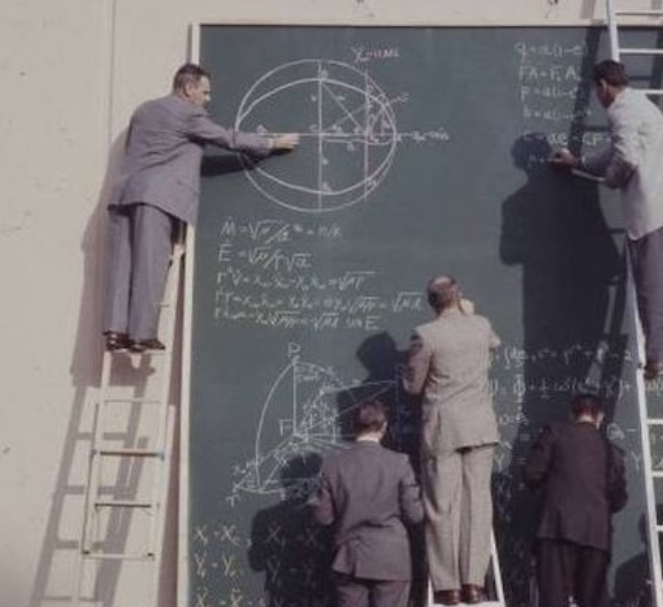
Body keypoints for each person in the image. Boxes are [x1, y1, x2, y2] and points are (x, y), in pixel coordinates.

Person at [102, 63, 299, 352]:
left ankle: (115, 332)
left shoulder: (143, 110)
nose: (207, 100)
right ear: (188, 88)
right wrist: (271, 142)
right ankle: (141, 335)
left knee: (122, 264)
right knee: (150, 264)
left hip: (124, 193)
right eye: (204, 92)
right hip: (158, 197)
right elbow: (228, 138)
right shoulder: (186, 112)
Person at [550, 59, 663, 379]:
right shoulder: (642, 105)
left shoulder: (620, 111)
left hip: (652, 211)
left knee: (653, 286)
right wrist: (579, 162)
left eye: (597, 90)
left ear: (604, 86)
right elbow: (616, 150)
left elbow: (625, 158)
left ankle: (656, 357)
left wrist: (611, 180)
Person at [403, 275, 501, 606]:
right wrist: (468, 312)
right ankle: (474, 582)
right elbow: (495, 343)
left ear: (431, 302)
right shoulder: (480, 324)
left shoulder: (426, 335)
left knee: (442, 506)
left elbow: (412, 387)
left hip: (443, 429)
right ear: (458, 295)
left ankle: (448, 587)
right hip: (479, 427)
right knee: (478, 504)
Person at [309, 400, 425, 607]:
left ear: (354, 427)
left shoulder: (333, 465)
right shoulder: (399, 462)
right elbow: (415, 514)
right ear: (384, 427)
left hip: (349, 560)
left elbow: (323, 517)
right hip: (391, 559)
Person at [524, 393, 628, 607]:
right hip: (596, 535)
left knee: (553, 599)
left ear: (571, 414)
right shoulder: (612, 451)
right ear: (600, 417)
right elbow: (618, 498)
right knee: (594, 600)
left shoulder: (554, 433)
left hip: (556, 529)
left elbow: (531, 474)